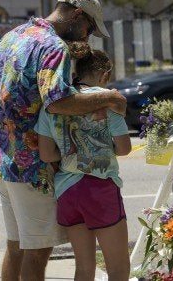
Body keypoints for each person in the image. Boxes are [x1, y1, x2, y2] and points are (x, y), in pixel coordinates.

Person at [0, 0, 126, 281]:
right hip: (29, 164)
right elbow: (58, 102)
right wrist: (109, 98)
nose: (87, 37)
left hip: (1, 157)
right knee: (37, 250)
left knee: (17, 245)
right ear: (76, 15)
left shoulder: (14, 35)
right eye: (88, 27)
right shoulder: (52, 46)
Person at [35, 42, 131, 280]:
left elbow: (46, 154)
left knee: (84, 268)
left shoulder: (54, 104)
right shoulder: (109, 101)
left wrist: (71, 153)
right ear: (104, 74)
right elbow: (124, 148)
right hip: (99, 188)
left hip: (67, 191)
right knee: (118, 269)